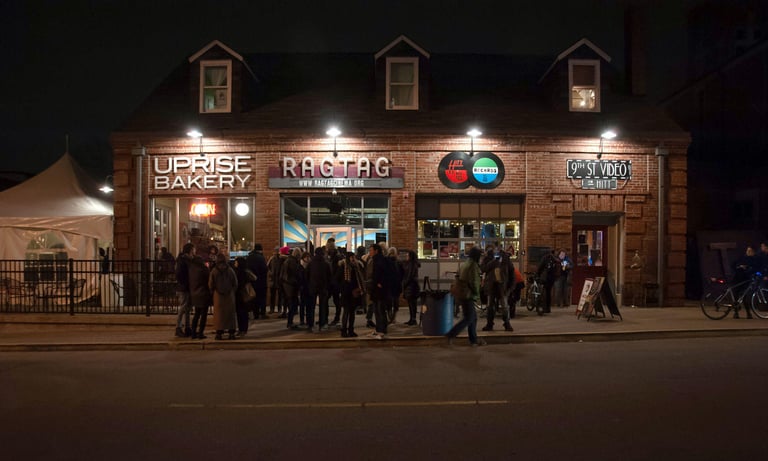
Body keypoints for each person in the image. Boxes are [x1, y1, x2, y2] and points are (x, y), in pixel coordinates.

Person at [446, 246, 485, 346]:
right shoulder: (473, 266)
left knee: (473, 318)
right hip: (468, 294)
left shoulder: (465, 264)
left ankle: (473, 340)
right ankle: (451, 334)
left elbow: (458, 276)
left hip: (462, 293)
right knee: (468, 318)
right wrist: (476, 293)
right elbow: (474, 282)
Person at [481, 248, 514, 331]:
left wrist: (510, 287)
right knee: (490, 306)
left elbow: (511, 273)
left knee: (504, 305)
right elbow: (483, 268)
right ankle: (489, 324)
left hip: (502, 285)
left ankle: (507, 323)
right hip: (491, 285)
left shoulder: (506, 259)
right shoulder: (488, 258)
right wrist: (493, 262)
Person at [209, 253, 238, 340]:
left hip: (218, 295)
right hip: (229, 295)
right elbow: (235, 282)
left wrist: (213, 292)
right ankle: (231, 333)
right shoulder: (230, 270)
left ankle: (219, 333)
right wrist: (232, 291)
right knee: (230, 314)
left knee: (219, 315)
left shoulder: (214, 271)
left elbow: (210, 284)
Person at [338, 251, 365, 337]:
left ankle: (351, 330)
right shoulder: (343, 267)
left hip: (354, 293)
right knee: (346, 312)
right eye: (352, 257)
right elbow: (338, 280)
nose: (353, 259)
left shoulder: (356, 267)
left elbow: (359, 279)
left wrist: (358, 289)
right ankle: (344, 330)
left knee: (352, 313)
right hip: (346, 293)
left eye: (354, 257)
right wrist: (343, 288)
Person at [368, 243, 392, 339]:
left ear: (376, 251)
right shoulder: (375, 260)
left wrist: (380, 283)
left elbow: (385, 273)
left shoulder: (381, 260)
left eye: (371, 250)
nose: (370, 252)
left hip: (380, 290)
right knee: (377, 310)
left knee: (380, 310)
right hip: (376, 289)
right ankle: (379, 329)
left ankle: (382, 330)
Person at [188, 246, 211, 340]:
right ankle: (200, 332)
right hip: (203, 294)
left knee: (196, 314)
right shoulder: (203, 269)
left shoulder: (192, 270)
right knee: (203, 315)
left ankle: (193, 333)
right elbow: (208, 280)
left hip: (195, 294)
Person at [308, 247, 332, 331]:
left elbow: (306, 275)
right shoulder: (326, 263)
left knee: (311, 306)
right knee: (323, 306)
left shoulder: (311, 263)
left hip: (312, 287)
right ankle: (322, 323)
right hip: (323, 287)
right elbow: (330, 277)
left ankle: (310, 324)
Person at [174, 243, 194, 338]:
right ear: (190, 250)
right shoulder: (183, 260)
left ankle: (187, 327)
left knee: (187, 308)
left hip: (187, 287)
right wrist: (185, 283)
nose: (194, 251)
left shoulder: (188, 259)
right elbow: (179, 274)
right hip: (184, 287)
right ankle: (178, 327)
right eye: (193, 249)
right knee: (183, 307)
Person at [280, 247, 302, 329]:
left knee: (291, 304)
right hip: (291, 286)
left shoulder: (288, 260)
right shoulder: (293, 262)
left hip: (286, 285)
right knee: (293, 305)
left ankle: (290, 322)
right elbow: (296, 274)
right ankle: (290, 323)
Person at [246, 243, 268, 320]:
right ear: (260, 250)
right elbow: (264, 269)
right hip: (261, 281)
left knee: (254, 298)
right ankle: (262, 313)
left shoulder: (249, 257)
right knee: (262, 298)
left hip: (252, 281)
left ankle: (256, 314)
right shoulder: (261, 258)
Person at [325, 238, 343, 326]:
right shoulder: (331, 256)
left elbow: (338, 270)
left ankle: (336, 318)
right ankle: (326, 318)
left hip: (334, 283)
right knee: (330, 300)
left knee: (336, 301)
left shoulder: (336, 257)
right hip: (332, 282)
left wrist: (334, 279)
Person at [233, 257, 254, 336]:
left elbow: (239, 283)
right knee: (243, 312)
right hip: (243, 294)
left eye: (236, 262)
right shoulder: (245, 271)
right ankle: (243, 329)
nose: (235, 263)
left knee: (241, 313)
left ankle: (242, 329)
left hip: (241, 294)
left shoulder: (240, 272)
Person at [401, 250, 420, 326]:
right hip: (411, 285)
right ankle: (412, 318)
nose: (406, 257)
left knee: (412, 303)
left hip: (411, 286)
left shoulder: (412, 264)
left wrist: (405, 283)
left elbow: (409, 275)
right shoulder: (411, 264)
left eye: (407, 255)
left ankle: (413, 319)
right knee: (411, 303)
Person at [387, 246, 404, 324]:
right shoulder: (399, 262)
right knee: (396, 301)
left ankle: (390, 317)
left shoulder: (386, 261)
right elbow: (402, 274)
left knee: (389, 302)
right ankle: (393, 318)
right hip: (397, 284)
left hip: (388, 285)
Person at [267, 246, 283, 314]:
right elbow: (267, 267)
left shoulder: (281, 258)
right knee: (273, 296)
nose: (276, 252)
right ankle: (272, 309)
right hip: (273, 280)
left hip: (278, 280)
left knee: (279, 296)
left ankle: (278, 309)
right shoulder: (272, 259)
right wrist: (270, 273)